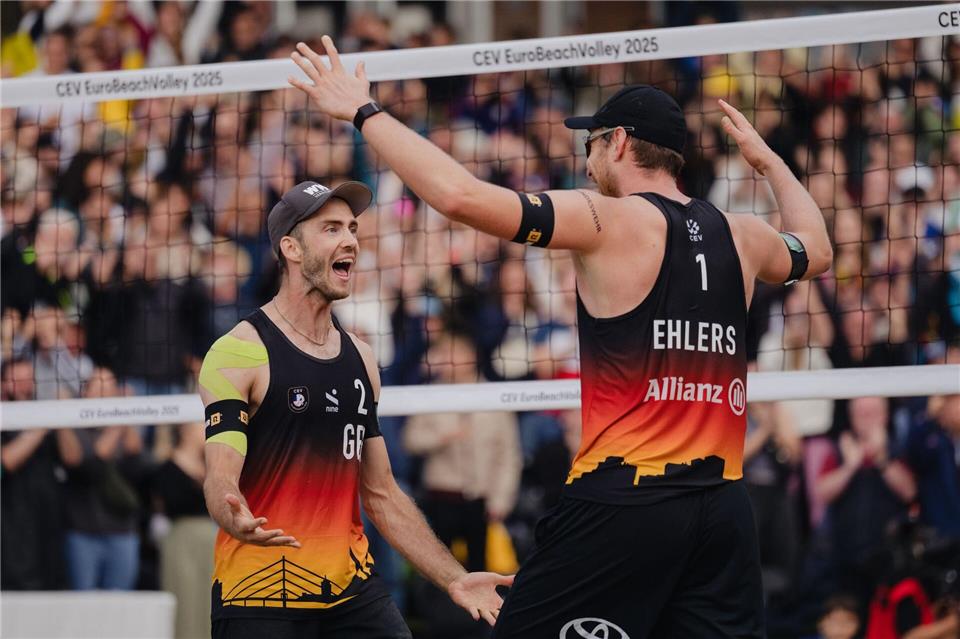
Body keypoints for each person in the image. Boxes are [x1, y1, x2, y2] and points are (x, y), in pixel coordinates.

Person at [289, 36, 833, 638]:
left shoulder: (603, 218)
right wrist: (771, 163)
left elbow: (458, 196)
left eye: (592, 143)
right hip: (723, 508)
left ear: (619, 142)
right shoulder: (744, 234)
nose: (588, 158)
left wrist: (364, 113)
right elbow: (818, 250)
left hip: (626, 500)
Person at [200, 180, 511, 639]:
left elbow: (381, 493)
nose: (350, 240)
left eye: (351, 228)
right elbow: (220, 476)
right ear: (291, 248)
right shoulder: (239, 352)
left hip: (351, 591)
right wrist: (232, 512)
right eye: (330, 229)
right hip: (260, 593)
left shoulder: (362, 359)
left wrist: (454, 577)